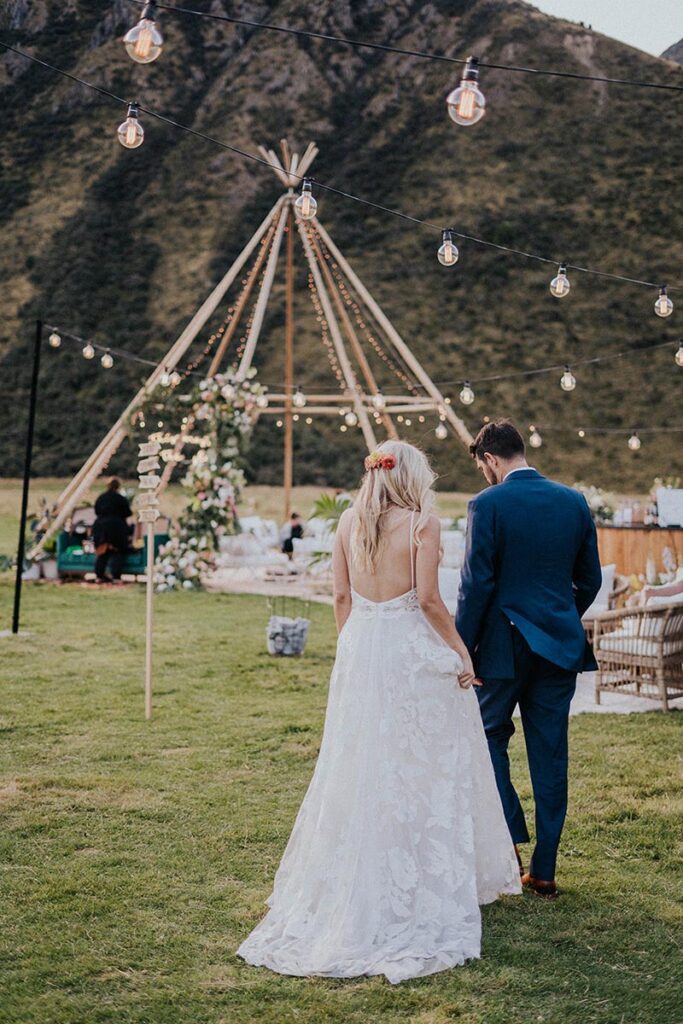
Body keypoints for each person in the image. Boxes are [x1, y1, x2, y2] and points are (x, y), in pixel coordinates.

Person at [238, 441, 520, 983]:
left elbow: (341, 598)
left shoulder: (347, 522)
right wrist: (460, 652)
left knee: (359, 762)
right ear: (410, 476)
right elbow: (431, 601)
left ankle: (360, 873)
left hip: (361, 649)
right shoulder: (421, 524)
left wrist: (353, 653)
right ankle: (416, 876)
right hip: (408, 653)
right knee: (422, 763)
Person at [456, 419, 602, 900]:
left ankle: (510, 843)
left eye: (483, 467)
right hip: (559, 649)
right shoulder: (574, 501)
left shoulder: (488, 504)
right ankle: (545, 870)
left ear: (491, 460)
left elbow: (476, 585)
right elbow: (591, 580)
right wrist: (559, 618)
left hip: (500, 650)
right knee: (550, 753)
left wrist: (463, 648)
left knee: (487, 738)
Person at [92, 478, 133, 583]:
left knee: (102, 551)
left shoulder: (101, 498)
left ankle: (99, 576)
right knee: (117, 551)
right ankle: (116, 576)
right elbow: (127, 513)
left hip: (101, 526)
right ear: (118, 487)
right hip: (117, 526)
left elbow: (96, 511)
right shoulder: (121, 498)